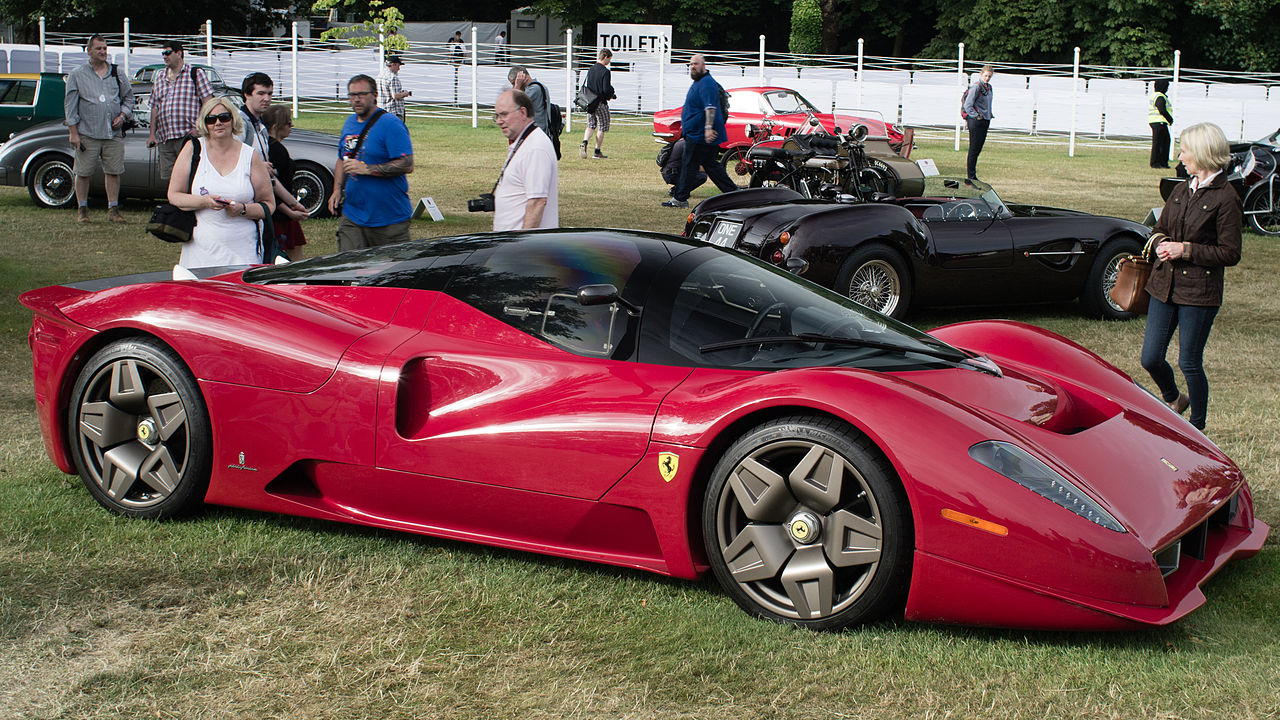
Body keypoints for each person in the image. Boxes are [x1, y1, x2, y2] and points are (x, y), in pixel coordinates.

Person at [1141, 122, 1242, 432]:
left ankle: (1197, 426)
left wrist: (1185, 249)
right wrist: (1159, 243)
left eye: (1184, 151)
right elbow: (1160, 228)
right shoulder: (1182, 189)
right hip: (1163, 287)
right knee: (1150, 358)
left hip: (1199, 293)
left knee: (1189, 362)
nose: (1180, 157)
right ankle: (1174, 399)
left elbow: (1230, 253)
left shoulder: (1227, 198)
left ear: (1202, 153)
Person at [166, 96, 275, 268]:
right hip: (200, 253)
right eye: (211, 119)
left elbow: (268, 205)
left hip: (243, 253)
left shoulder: (249, 155)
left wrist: (242, 209)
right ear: (204, 123)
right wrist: (204, 201)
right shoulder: (193, 149)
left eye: (224, 117)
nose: (218, 123)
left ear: (233, 120)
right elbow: (174, 195)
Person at [326, 74, 415, 250]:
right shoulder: (350, 123)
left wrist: (367, 169)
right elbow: (341, 158)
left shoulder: (391, 124)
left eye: (362, 94)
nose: (356, 100)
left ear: (374, 95)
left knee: (389, 274)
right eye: (352, 95)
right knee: (348, 267)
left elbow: (407, 164)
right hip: (353, 214)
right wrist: (336, 190)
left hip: (389, 218)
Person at [63, 33, 134, 224]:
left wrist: (123, 115)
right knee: (83, 172)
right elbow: (70, 106)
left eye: (105, 48)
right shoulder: (77, 75)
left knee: (114, 171)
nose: (103, 52)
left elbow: (129, 98)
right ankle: (83, 210)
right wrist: (73, 133)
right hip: (87, 133)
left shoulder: (117, 73)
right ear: (89, 51)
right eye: (98, 49)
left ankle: (113, 209)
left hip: (113, 134)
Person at [661, 54, 738, 209]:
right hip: (698, 133)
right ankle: (734, 193)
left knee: (690, 165)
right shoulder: (700, 82)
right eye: (690, 64)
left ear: (704, 65)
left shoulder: (706, 84)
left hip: (700, 135)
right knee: (711, 166)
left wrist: (708, 128)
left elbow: (710, 107)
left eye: (696, 64)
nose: (692, 67)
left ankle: (680, 198)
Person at [237, 72, 308, 229]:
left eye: (269, 94)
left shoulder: (260, 126)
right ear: (246, 95)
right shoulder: (240, 123)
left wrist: (293, 203)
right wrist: (257, 166)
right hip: (243, 205)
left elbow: (270, 178)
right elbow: (227, 162)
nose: (267, 99)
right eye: (261, 93)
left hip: (260, 205)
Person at [147, 40, 214, 181]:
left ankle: (189, 203)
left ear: (179, 53)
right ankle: (174, 203)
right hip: (165, 137)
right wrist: (152, 134)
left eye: (167, 52)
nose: (164, 56)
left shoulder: (195, 73)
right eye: (162, 53)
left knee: (191, 175)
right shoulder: (159, 77)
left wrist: (200, 128)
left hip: (188, 136)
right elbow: (154, 107)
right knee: (170, 179)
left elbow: (208, 102)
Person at [492, 89, 558, 231]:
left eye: (503, 115)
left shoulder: (535, 148)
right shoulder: (526, 143)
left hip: (524, 249)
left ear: (523, 113)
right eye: (496, 116)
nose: (499, 121)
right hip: (512, 246)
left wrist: (520, 245)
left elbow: (537, 202)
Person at [262, 104, 311, 260]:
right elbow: (272, 187)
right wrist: (290, 210)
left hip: (279, 211)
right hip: (280, 216)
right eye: (288, 123)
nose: (292, 126)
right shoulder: (277, 150)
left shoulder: (266, 147)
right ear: (276, 126)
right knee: (293, 262)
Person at [508, 64, 560, 158]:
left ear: (522, 76)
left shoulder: (533, 89)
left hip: (535, 135)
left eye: (513, 83)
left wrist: (517, 86)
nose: (513, 86)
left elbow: (512, 104)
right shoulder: (541, 86)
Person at [578, 49, 615, 159]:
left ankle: (584, 142)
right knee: (602, 126)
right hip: (600, 103)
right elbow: (605, 89)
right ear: (605, 57)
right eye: (609, 59)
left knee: (590, 125)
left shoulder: (591, 69)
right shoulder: (605, 72)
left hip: (590, 102)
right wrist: (611, 94)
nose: (609, 61)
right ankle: (597, 151)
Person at [962, 64, 994, 183]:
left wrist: (989, 115)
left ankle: (973, 174)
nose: (987, 78)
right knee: (974, 148)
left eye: (989, 76)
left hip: (986, 120)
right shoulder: (976, 87)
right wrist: (976, 116)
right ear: (981, 74)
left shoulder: (989, 88)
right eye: (985, 76)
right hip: (976, 121)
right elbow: (968, 105)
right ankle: (971, 176)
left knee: (978, 148)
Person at [1149, 79, 1173, 169]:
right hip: (1159, 121)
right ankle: (1156, 162)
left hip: (1157, 121)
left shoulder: (1156, 95)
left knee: (1164, 142)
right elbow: (1162, 109)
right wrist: (1169, 119)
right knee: (1160, 143)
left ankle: (1161, 162)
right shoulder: (1160, 96)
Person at [378, 55, 410, 123]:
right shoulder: (393, 77)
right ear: (393, 65)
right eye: (398, 66)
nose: (399, 69)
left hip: (381, 110)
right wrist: (405, 93)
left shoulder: (380, 76)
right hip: (393, 112)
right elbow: (395, 96)